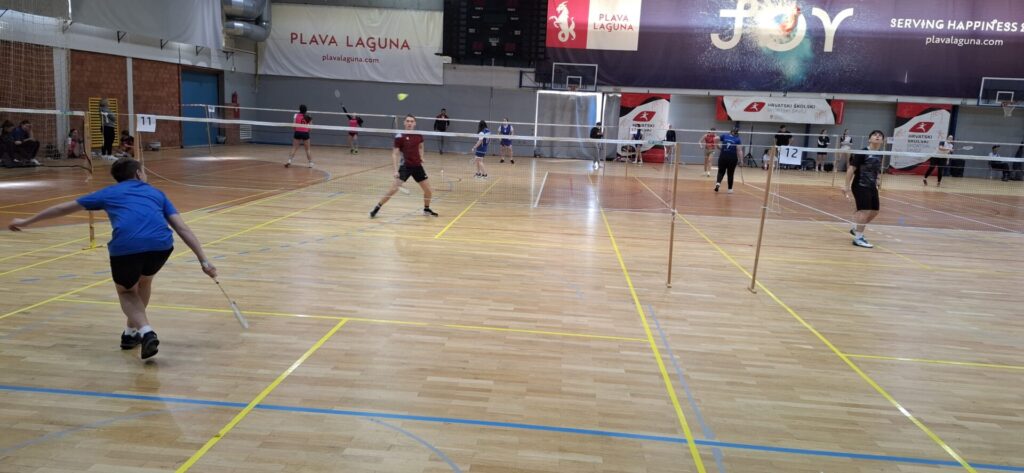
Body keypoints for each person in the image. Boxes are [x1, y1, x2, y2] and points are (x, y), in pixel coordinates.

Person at [7, 158, 218, 360]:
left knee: (127, 291)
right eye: (144, 171)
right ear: (138, 174)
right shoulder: (156, 193)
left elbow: (63, 208)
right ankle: (130, 334)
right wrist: (204, 261)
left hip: (126, 247)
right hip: (161, 246)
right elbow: (182, 228)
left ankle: (146, 332)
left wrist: (27, 221)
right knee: (144, 282)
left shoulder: (108, 193)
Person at [369, 115, 438, 218]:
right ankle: (377, 208)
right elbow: (394, 154)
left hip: (417, 167)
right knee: (393, 189)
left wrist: (422, 156)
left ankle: (426, 209)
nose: (409, 123)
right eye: (408, 121)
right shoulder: (399, 136)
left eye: (412, 121)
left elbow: (421, 146)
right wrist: (395, 170)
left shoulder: (419, 135)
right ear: (404, 122)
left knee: (428, 190)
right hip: (405, 166)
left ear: (415, 123)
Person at [843, 130, 885, 248]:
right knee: (865, 211)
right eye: (875, 135)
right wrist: (846, 186)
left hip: (872, 185)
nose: (877, 136)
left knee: (875, 211)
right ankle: (858, 238)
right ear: (869, 139)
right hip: (860, 185)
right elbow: (851, 169)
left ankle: (856, 228)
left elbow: (876, 169)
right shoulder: (862, 152)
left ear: (882, 141)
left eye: (880, 136)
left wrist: (878, 179)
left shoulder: (881, 153)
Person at [715, 127, 743, 193]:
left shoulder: (724, 136)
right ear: (736, 133)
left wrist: (717, 145)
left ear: (730, 131)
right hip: (732, 158)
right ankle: (730, 189)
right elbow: (739, 150)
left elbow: (715, 138)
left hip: (723, 157)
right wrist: (741, 160)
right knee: (730, 173)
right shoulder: (737, 139)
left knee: (721, 171)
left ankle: (718, 183)